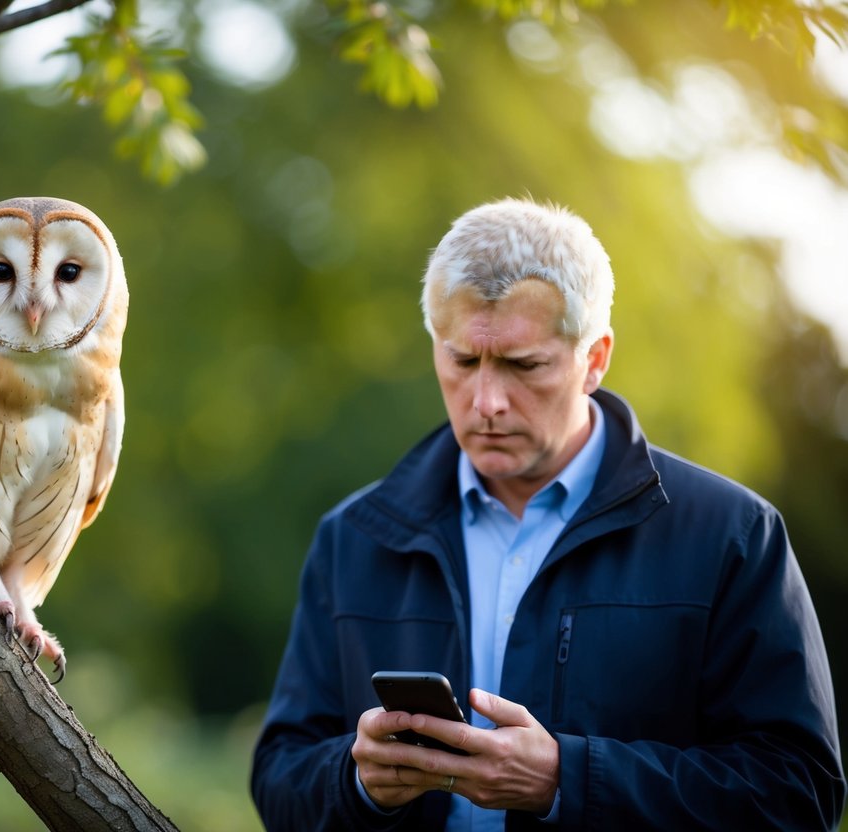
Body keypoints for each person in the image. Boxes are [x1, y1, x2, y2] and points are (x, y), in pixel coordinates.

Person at [250, 198, 845, 830]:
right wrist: (356, 780)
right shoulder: (355, 538)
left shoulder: (733, 534)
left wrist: (569, 780)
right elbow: (279, 778)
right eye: (462, 360)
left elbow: (799, 793)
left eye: (523, 365)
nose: (486, 402)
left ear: (594, 359)